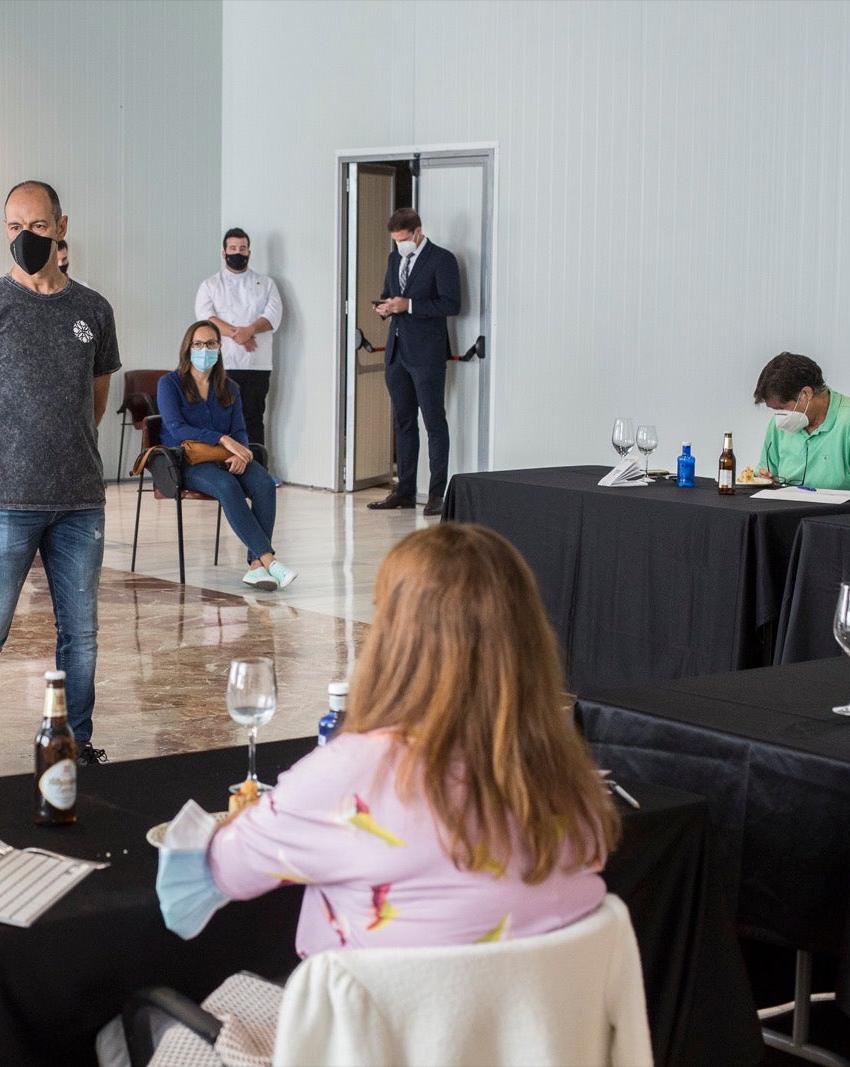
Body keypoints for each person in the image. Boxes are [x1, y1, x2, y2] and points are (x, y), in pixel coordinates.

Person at [167, 523, 619, 955]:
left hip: (373, 1032)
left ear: (392, 640)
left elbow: (201, 882)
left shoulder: (348, 776)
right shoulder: (575, 788)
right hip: (539, 1033)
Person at [0, 179, 120, 780]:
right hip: (3, 503)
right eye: (14, 227)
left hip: (79, 501)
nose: (25, 238)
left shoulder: (93, 311)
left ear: (62, 227)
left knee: (83, 636)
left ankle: (75, 743)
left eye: (37, 227)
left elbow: (93, 402)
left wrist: (58, 451)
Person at [156, 321, 294, 591]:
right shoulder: (169, 383)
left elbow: (240, 429)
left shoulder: (230, 388)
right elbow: (176, 427)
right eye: (198, 344)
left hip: (227, 457)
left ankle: (256, 567)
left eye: (210, 344)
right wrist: (222, 439)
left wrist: (241, 453)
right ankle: (269, 559)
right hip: (188, 460)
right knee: (227, 485)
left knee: (265, 484)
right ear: (187, 348)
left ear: (219, 348)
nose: (204, 349)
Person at [369, 208, 460, 515]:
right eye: (396, 241)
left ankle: (436, 494)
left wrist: (409, 305)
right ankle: (404, 490)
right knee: (403, 422)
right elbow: (388, 293)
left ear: (418, 232)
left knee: (434, 422)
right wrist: (386, 307)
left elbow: (451, 303)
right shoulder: (395, 259)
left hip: (426, 354)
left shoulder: (442, 259)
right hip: (397, 352)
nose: (400, 246)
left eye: (404, 240)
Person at [753, 352, 850, 508]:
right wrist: (768, 481)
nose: (779, 418)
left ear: (806, 394)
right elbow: (763, 476)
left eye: (782, 409)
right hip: (789, 516)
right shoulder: (780, 425)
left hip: (841, 521)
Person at [195, 227, 282, 449]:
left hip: (257, 364)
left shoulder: (266, 283)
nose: (238, 252)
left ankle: (258, 469)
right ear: (224, 253)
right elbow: (205, 318)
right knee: (221, 416)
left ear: (249, 252)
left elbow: (273, 316)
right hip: (224, 362)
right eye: (233, 248)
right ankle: (223, 467)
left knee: (254, 417)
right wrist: (239, 334)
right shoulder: (211, 285)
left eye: (242, 248)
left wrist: (250, 330)